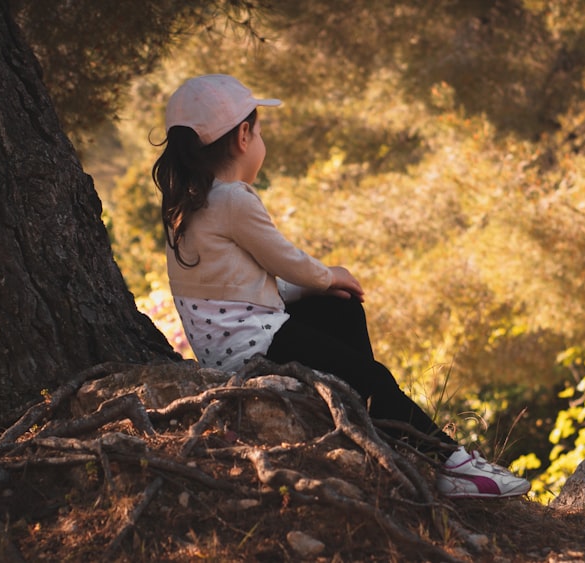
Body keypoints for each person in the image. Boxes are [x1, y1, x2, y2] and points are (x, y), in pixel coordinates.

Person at [152, 74, 529, 499]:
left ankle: (371, 431)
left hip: (236, 338)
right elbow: (288, 262)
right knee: (370, 373)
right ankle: (452, 465)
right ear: (243, 136)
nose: (259, 141)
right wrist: (331, 275)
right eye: (258, 132)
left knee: (341, 308)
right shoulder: (233, 199)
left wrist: (321, 292)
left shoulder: (186, 203)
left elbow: (236, 288)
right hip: (253, 344)